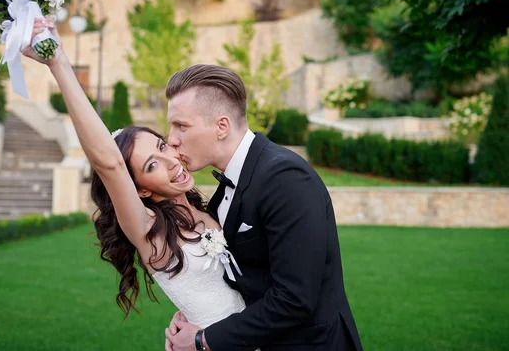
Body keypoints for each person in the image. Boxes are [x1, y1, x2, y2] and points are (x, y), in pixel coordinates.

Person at [22, 18, 246, 333]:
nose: (169, 160)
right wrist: (58, 63)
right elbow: (108, 163)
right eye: (151, 166)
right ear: (140, 191)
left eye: (161, 146)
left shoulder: (213, 206)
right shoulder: (149, 232)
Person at [163, 64, 363, 351]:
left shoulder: (286, 179)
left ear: (222, 126)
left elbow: (294, 298)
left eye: (182, 125)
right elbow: (248, 278)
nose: (172, 139)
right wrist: (199, 312)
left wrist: (203, 340)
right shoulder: (229, 185)